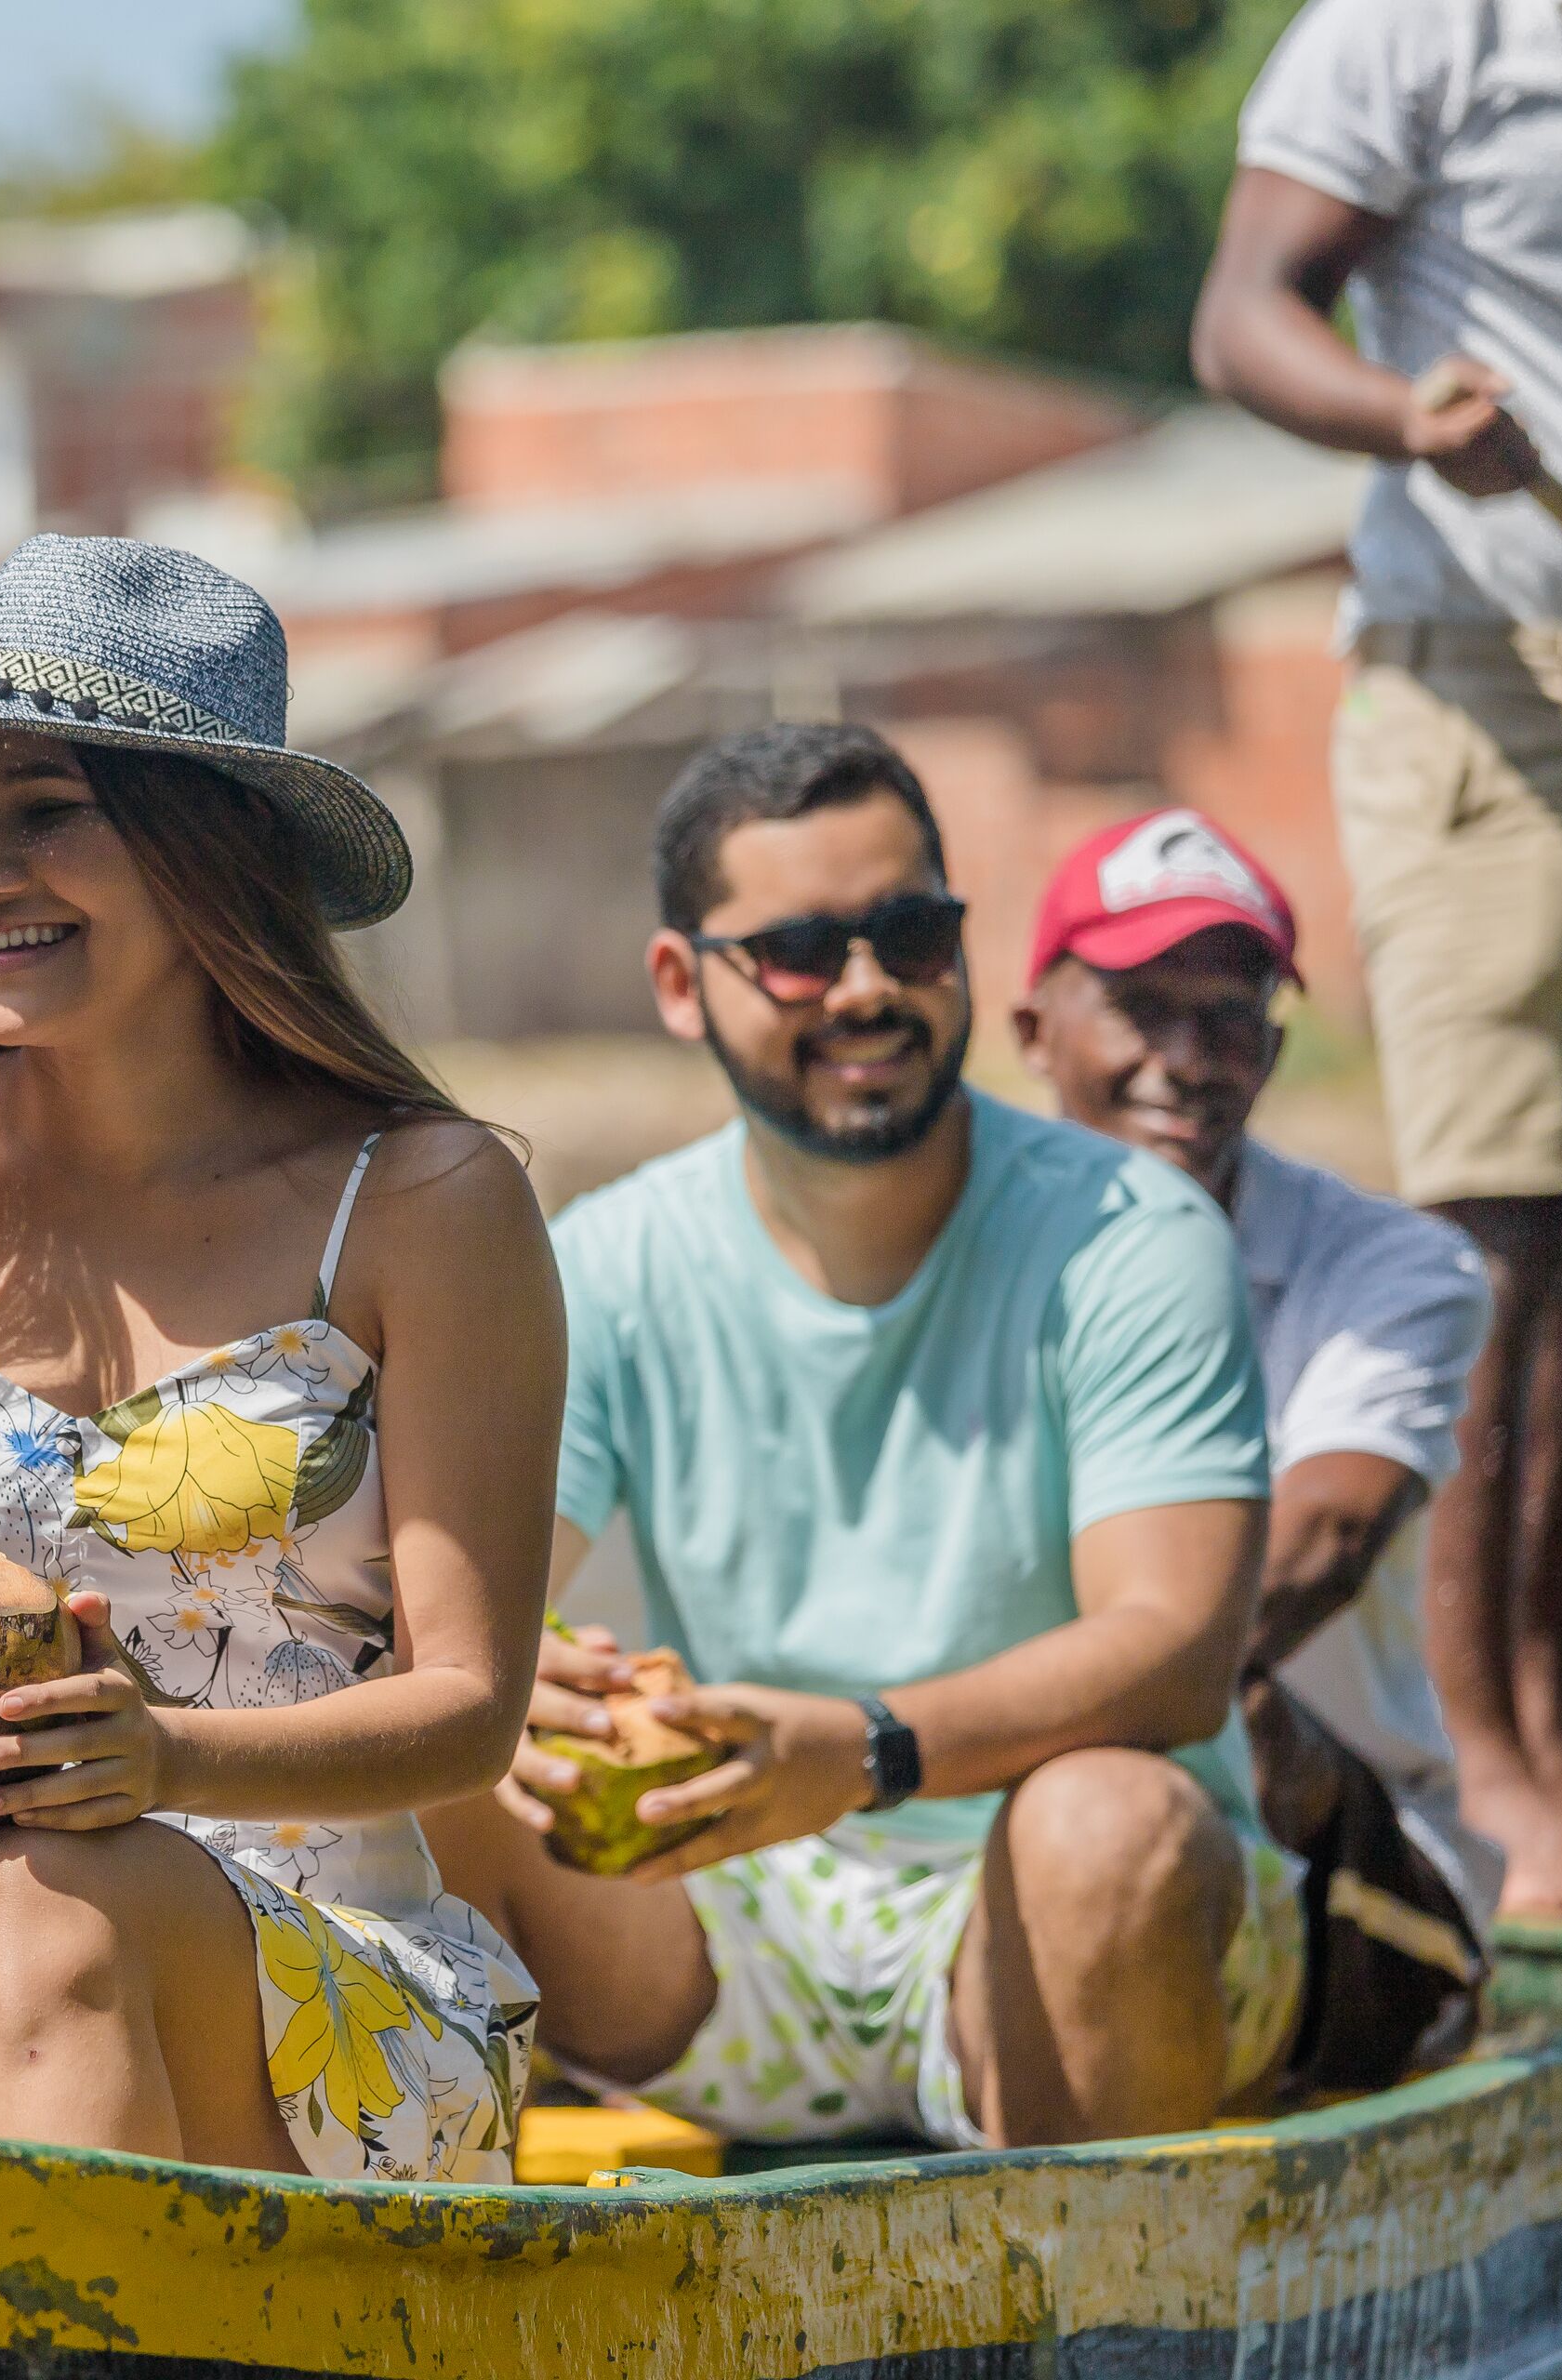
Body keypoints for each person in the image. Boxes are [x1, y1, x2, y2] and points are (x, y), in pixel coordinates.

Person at [0, 535, 563, 2183]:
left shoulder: (426, 1199)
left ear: (209, 852)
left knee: (44, 1911)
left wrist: (165, 1759)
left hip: (325, 1976)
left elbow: (469, 1711)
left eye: (50, 808)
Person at [424, 723, 1304, 2153]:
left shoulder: (1135, 1237)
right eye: (799, 953)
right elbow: (466, 1597)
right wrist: (530, 1697)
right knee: (433, 1765)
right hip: (742, 1914)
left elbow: (1181, 1650)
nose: (867, 989)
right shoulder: (611, 1259)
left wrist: (868, 1750)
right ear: (677, 984)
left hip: (1077, 1914)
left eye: (909, 934)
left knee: (1106, 1829)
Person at [1190, 0, 1562, 1915]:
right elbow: (1244, 320)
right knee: (1498, 1256)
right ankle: (1482, 1780)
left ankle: (1547, 1738)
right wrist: (1404, 416)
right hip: (1490, 704)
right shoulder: (1422, 31)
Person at [1014, 809, 1499, 2085]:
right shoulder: (942, 1245)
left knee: (1222, 1700)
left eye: (1227, 1017)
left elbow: (1323, 1541)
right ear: (1032, 1030)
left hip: (1349, 1884)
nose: (1186, 1058)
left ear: (1274, 1051)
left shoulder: (1396, 1266)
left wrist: (947, 1725)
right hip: (990, 1816)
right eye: (1139, 1006)